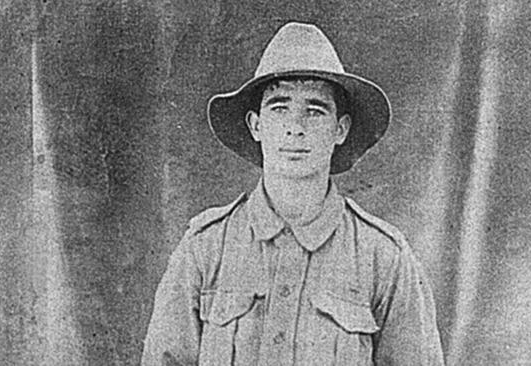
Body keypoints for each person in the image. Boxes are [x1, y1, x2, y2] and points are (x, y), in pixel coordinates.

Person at [143, 22, 444, 365]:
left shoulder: (383, 258)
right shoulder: (205, 248)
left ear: (340, 129)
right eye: (279, 108)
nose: (295, 127)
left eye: (315, 111)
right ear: (256, 125)